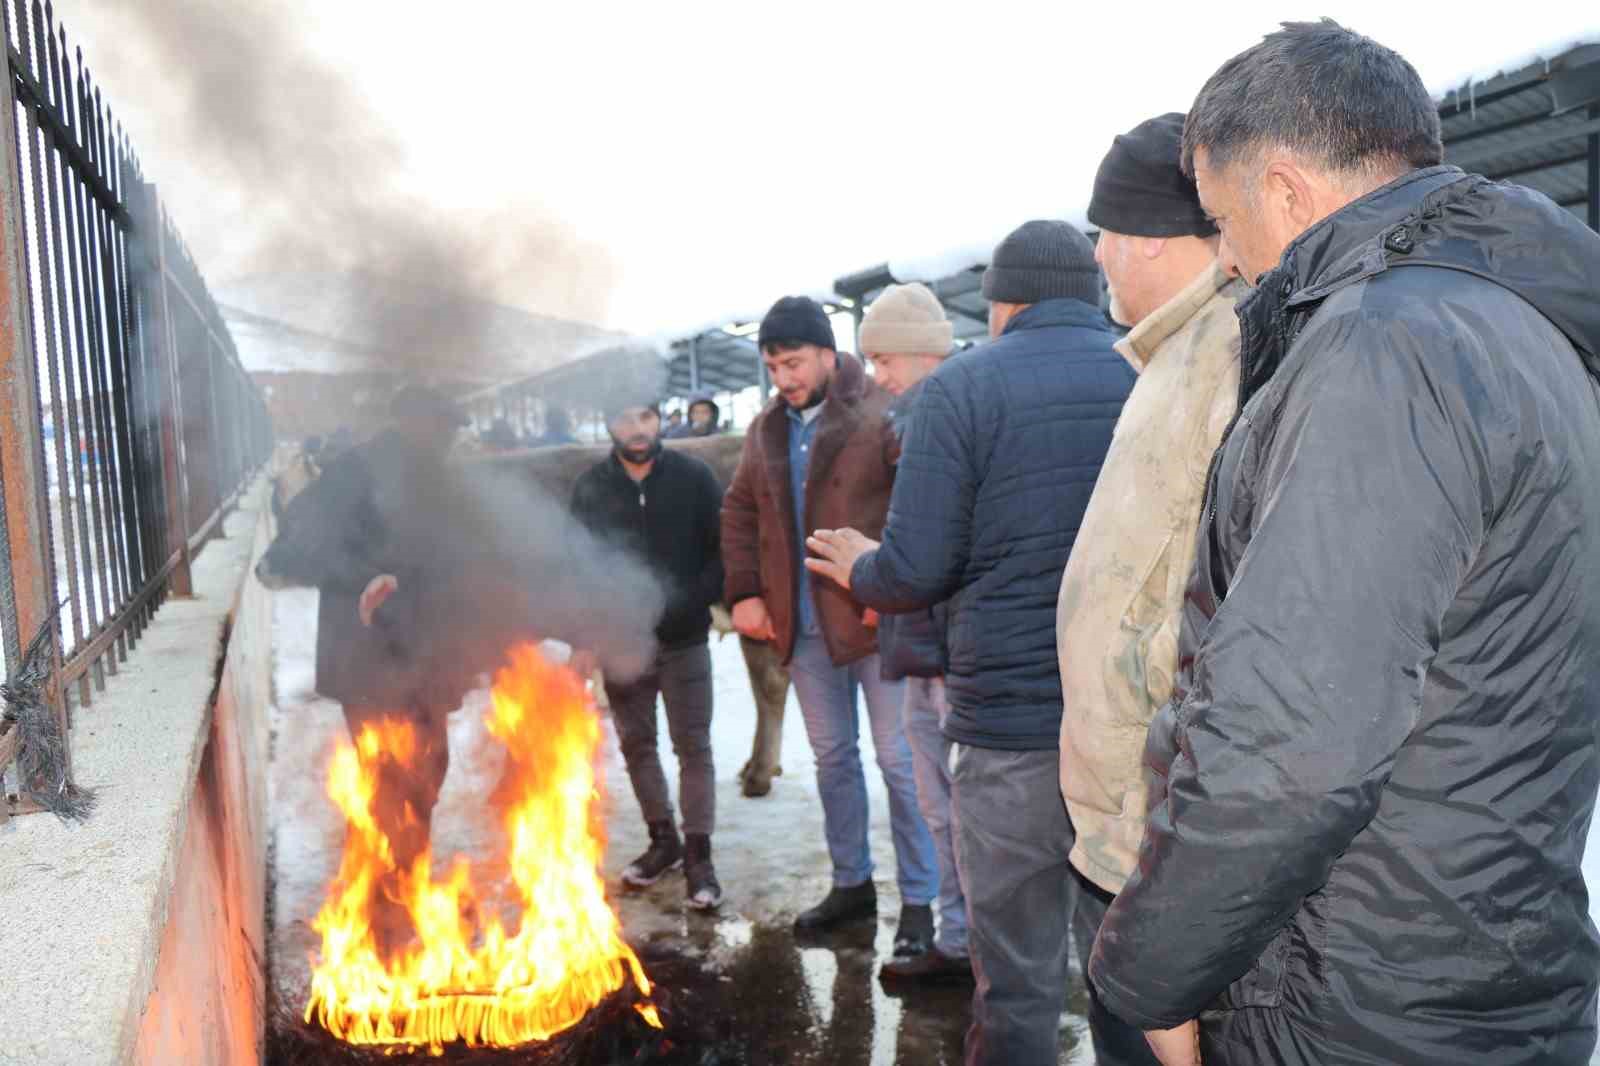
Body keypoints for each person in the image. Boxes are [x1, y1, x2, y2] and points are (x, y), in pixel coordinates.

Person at [1087, 21, 1600, 1066]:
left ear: (1285, 190)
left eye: (1224, 222)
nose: (1228, 259)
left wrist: (1152, 974)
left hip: (1360, 989)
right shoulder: (1522, 329)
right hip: (1487, 950)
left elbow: (1289, 750)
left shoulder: (1381, 349)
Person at [806, 220, 1136, 1065]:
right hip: (1131, 725)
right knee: (1132, 970)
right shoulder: (1148, 372)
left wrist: (860, 565)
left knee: (1017, 975)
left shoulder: (963, 389)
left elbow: (914, 570)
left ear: (1005, 304)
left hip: (1011, 729)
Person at [1052, 113, 1242, 1064]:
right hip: (1129, 832)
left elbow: (1206, 627)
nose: (1097, 259)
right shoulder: (1171, 355)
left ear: (1148, 241)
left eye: (1104, 236)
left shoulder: (1230, 355)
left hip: (1156, 848)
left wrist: (1153, 863)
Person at [721, 295, 940, 955]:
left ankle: (924, 903)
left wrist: (894, 581)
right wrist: (745, 593)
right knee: (832, 760)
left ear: (825, 352)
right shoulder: (767, 430)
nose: (783, 378)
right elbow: (737, 512)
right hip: (806, 626)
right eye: (772, 367)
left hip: (876, 620)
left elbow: (919, 499)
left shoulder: (879, 409)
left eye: (792, 363)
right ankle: (852, 885)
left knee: (902, 764)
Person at [254, 384, 474, 960]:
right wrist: (370, 574)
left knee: (424, 778)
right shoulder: (355, 471)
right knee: (391, 784)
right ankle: (384, 921)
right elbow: (290, 550)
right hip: (372, 661)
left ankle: (398, 898)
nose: (447, 436)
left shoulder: (435, 476)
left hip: (424, 657)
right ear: (410, 418)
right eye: (441, 423)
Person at [854, 283, 972, 985]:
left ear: (923, 351)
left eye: (884, 358)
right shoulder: (906, 421)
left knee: (967, 818)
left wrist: (867, 570)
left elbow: (936, 549)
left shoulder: (954, 413)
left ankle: (979, 953)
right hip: (918, 647)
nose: (877, 374)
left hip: (954, 654)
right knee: (938, 810)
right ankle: (957, 944)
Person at [569, 401, 726, 909]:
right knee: (637, 746)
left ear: (659, 420)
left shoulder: (695, 478)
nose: (635, 429)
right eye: (623, 418)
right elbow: (576, 568)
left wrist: (688, 601)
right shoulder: (590, 489)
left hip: (684, 641)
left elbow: (722, 552)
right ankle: (664, 840)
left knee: (693, 747)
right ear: (607, 423)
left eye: (645, 417)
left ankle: (700, 855)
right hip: (621, 642)